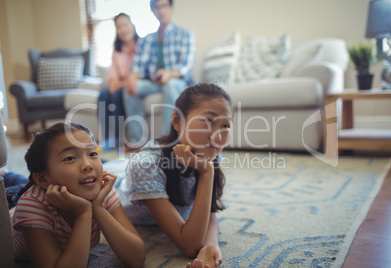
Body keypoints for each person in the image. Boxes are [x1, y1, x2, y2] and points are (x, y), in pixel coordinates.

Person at [117, 83, 233, 268]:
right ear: (177, 121)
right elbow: (189, 245)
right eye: (208, 121)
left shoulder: (209, 152)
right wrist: (206, 172)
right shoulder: (146, 166)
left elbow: (209, 210)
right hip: (127, 197)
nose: (217, 136)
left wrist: (211, 244)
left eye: (225, 125)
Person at [9, 122, 146, 267]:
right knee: (12, 185)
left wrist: (98, 208)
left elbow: (137, 258)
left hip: (40, 187)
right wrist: (84, 213)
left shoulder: (101, 190)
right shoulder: (32, 205)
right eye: (70, 158)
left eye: (93, 154)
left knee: (18, 183)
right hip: (12, 210)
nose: (88, 165)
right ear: (43, 179)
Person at [123, 0, 196, 151]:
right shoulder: (147, 39)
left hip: (176, 81)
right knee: (130, 88)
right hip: (154, 82)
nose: (161, 11)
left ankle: (166, 140)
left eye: (164, 6)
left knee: (170, 85)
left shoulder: (185, 34)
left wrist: (168, 74)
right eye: (157, 7)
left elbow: (185, 67)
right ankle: (138, 141)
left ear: (171, 8)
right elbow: (139, 66)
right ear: (153, 11)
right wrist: (131, 77)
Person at [98, 13, 139, 151]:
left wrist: (120, 84)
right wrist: (113, 82)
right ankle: (107, 138)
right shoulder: (117, 50)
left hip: (131, 83)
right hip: (120, 83)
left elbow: (140, 72)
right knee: (103, 94)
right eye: (119, 27)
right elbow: (113, 73)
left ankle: (116, 137)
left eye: (125, 25)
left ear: (132, 25)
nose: (123, 29)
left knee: (116, 95)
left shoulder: (142, 46)